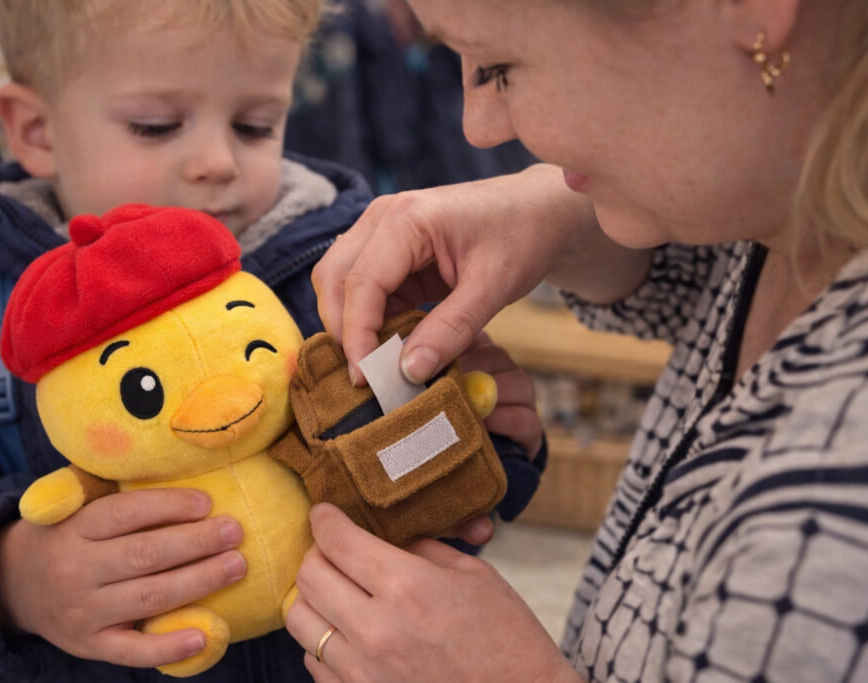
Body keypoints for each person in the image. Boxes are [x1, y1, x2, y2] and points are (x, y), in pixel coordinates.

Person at [0, 1, 540, 681]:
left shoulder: (348, 283)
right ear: (36, 130)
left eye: (255, 124)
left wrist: (493, 439)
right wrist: (6, 574)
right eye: (156, 126)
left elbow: (447, 481)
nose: (217, 162)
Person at [287, 0, 868, 680]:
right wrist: (564, 220)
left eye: (500, 67)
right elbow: (711, 279)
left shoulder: (831, 524)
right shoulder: (797, 217)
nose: (479, 127)